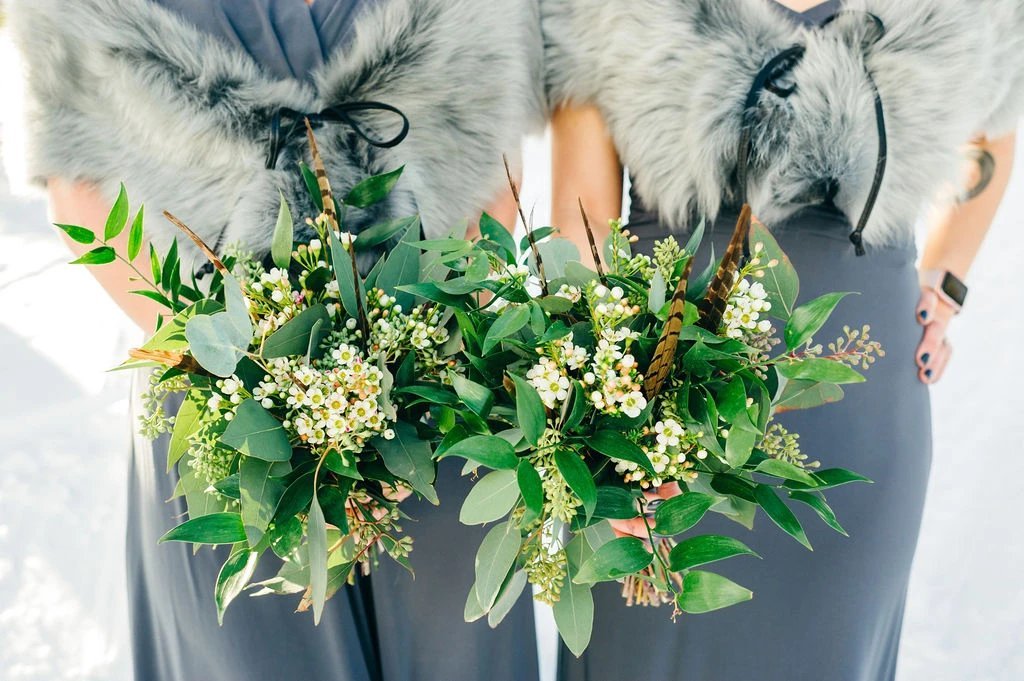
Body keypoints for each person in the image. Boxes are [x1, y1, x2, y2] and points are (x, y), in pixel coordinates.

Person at [7, 1, 544, 680]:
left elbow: (493, 170)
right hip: (220, 388)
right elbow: (80, 191)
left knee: (456, 649)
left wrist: (436, 353)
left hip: (431, 383)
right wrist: (242, 376)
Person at [543, 1, 1022, 679]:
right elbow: (580, 226)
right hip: (655, 413)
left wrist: (947, 280)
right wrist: (604, 417)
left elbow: (995, 122)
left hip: (856, 412)